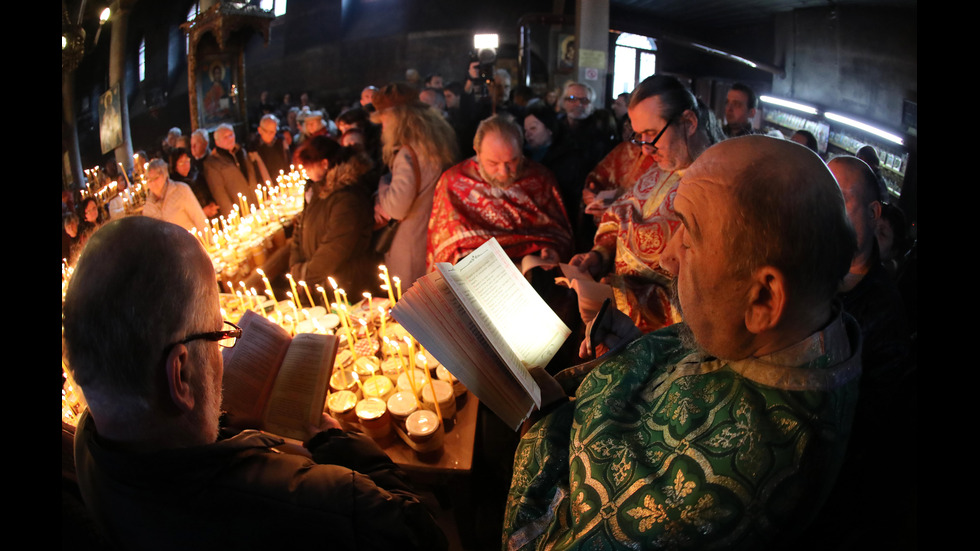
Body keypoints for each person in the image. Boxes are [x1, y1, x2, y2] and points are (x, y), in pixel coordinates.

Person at [503, 136, 861, 550]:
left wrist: (544, 416)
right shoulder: (799, 328)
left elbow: (563, 535)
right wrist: (631, 348)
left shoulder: (715, 492)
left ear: (764, 299)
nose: (665, 258)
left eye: (688, 237)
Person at [64, 216, 447, 550]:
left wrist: (225, 429)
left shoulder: (86, 442)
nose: (223, 354)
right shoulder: (317, 500)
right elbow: (426, 530)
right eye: (219, 335)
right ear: (180, 375)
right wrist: (338, 443)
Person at [572, 75, 723, 333]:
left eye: (651, 135)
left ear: (689, 122)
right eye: (639, 136)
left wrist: (625, 299)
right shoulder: (660, 169)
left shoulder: (719, 188)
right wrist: (599, 256)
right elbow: (619, 214)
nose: (645, 151)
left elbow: (708, 294)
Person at [427, 114, 573, 268]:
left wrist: (553, 250)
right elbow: (444, 247)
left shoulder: (541, 179)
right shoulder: (454, 182)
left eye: (512, 161)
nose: (504, 172)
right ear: (477, 151)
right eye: (493, 163)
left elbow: (560, 235)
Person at [372, 82, 459, 286]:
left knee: (412, 307)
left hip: (411, 245)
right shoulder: (436, 142)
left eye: (384, 121)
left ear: (398, 119)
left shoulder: (408, 154)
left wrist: (382, 188)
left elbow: (395, 207)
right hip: (434, 237)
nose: (383, 128)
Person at [288, 136, 379, 294]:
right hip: (320, 280)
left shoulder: (348, 198)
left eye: (309, 168)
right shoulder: (317, 188)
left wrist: (305, 273)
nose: (306, 173)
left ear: (324, 164)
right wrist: (296, 265)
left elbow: (336, 246)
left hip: (345, 284)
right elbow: (301, 227)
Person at [203, 124, 259, 218]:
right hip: (239, 212)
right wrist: (232, 217)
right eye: (225, 137)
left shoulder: (241, 152)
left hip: (255, 205)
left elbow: (252, 176)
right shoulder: (212, 163)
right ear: (217, 142)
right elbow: (219, 193)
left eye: (231, 135)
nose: (230, 139)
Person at [143, 158, 209, 234]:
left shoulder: (181, 190)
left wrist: (209, 242)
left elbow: (199, 219)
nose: (153, 183)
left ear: (165, 176)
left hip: (189, 242)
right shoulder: (148, 207)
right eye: (149, 180)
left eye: (156, 178)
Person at [170, 148, 219, 218]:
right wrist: (202, 211)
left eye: (187, 160)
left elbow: (208, 192)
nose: (185, 165)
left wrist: (211, 203)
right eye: (181, 162)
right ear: (175, 166)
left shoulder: (197, 176)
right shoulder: (176, 185)